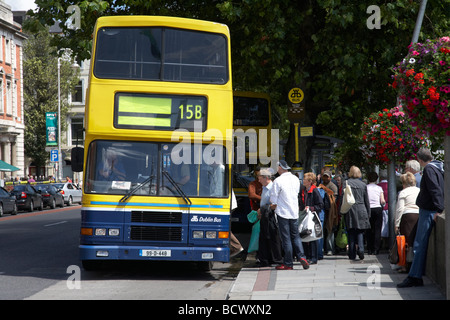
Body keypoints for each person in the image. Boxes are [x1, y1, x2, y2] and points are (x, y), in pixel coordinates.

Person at [398, 148, 444, 288]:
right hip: (432, 209)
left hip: (428, 211)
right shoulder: (438, 167)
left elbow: (435, 189)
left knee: (419, 244)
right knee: (419, 244)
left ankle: (414, 276)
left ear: (420, 159)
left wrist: (438, 209)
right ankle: (415, 275)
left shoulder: (429, 170)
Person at [270, 160, 309, 270]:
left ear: (280, 167)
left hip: (283, 212)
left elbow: (273, 199)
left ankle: (288, 263)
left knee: (286, 238)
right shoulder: (295, 179)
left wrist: (272, 204)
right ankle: (302, 257)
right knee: (296, 236)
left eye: (277, 167)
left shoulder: (278, 181)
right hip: (293, 212)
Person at [256, 167, 282, 267]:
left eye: (260, 178)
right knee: (263, 237)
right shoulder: (264, 188)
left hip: (271, 215)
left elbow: (275, 203)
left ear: (266, 178)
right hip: (264, 215)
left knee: (273, 237)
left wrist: (265, 208)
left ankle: (276, 259)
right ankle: (265, 259)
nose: (258, 180)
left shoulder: (272, 187)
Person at [343, 166, 371, 260]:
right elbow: (366, 200)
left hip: (350, 209)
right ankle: (361, 249)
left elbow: (343, 198)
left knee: (351, 231)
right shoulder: (363, 184)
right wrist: (368, 212)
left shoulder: (346, 183)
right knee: (360, 231)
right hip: (361, 208)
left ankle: (352, 253)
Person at [395, 172, 420, 272]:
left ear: (404, 183)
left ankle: (404, 266)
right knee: (415, 241)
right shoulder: (419, 190)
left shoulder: (403, 192)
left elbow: (400, 209)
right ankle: (415, 265)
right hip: (418, 215)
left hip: (407, 217)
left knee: (406, 242)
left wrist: (396, 224)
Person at [299, 172, 324, 264]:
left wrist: (311, 208)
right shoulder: (303, 190)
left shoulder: (314, 190)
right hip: (305, 216)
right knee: (305, 235)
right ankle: (307, 256)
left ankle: (314, 257)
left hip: (312, 217)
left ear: (309, 181)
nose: (303, 181)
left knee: (312, 236)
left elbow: (321, 205)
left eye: (304, 179)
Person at [366, 172, 386, 255]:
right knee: (377, 229)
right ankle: (376, 249)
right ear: (376, 179)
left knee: (369, 229)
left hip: (368, 209)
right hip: (377, 209)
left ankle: (369, 248)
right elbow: (382, 201)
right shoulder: (379, 188)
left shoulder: (365, 188)